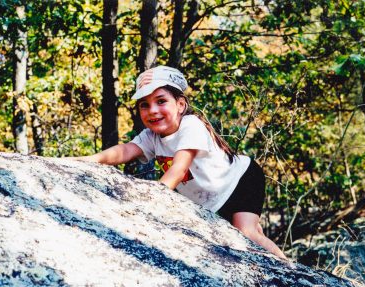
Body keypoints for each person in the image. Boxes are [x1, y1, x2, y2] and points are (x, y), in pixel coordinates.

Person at [72, 65, 287, 259]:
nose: (153, 110)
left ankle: (291, 270)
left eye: (161, 101)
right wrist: (89, 160)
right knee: (249, 236)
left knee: (246, 233)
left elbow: (179, 167)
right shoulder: (152, 136)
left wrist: (156, 196)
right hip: (213, 199)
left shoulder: (191, 126)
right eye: (144, 105)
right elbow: (125, 150)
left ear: (181, 104)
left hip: (239, 181)